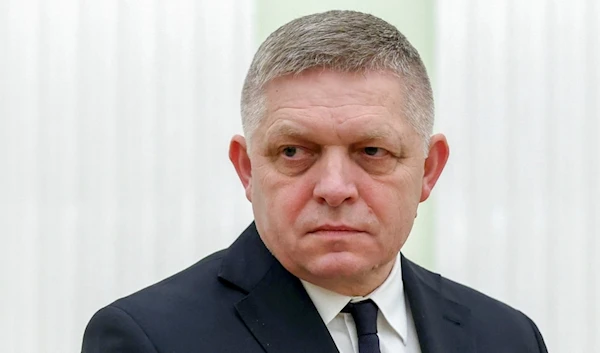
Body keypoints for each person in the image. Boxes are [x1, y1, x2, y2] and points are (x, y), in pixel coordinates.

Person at [82, 10, 548, 353]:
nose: (334, 187)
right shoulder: (148, 339)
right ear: (247, 169)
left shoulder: (507, 337)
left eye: (371, 151)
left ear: (429, 169)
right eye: (294, 152)